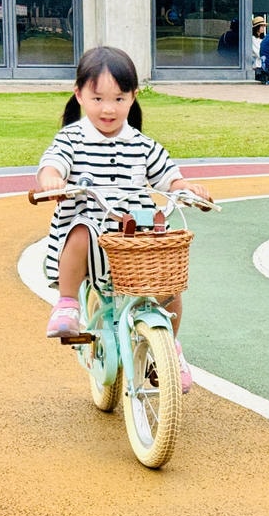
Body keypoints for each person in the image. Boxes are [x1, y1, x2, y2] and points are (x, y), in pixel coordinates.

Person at [34, 46, 212, 390]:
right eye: (98, 98)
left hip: (133, 235)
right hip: (88, 232)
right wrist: (52, 181)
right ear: (80, 95)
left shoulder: (142, 145)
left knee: (167, 278)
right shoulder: (72, 138)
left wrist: (188, 189)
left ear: (133, 97)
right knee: (84, 229)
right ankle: (68, 302)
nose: (108, 108)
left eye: (119, 98)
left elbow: (169, 177)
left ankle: (169, 349)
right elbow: (52, 164)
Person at [249, 14, 267, 79]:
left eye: (264, 26)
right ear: (256, 27)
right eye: (261, 26)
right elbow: (258, 53)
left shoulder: (263, 38)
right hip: (255, 66)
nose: (263, 28)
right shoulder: (252, 38)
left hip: (263, 65)